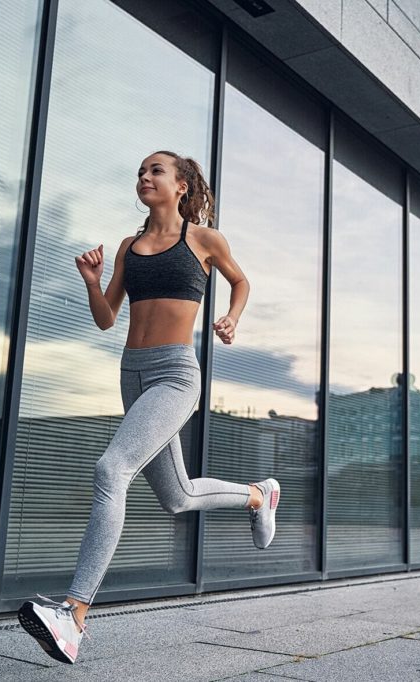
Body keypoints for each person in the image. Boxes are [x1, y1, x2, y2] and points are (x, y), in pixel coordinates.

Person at [16, 151, 280, 665]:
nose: (144, 177)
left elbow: (241, 281)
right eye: (140, 172)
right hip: (132, 373)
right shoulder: (128, 247)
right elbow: (106, 318)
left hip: (175, 375)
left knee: (111, 468)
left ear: (181, 186)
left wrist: (231, 316)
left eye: (155, 171)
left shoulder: (202, 239)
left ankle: (73, 615)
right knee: (177, 497)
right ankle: (258, 495)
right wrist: (92, 283)